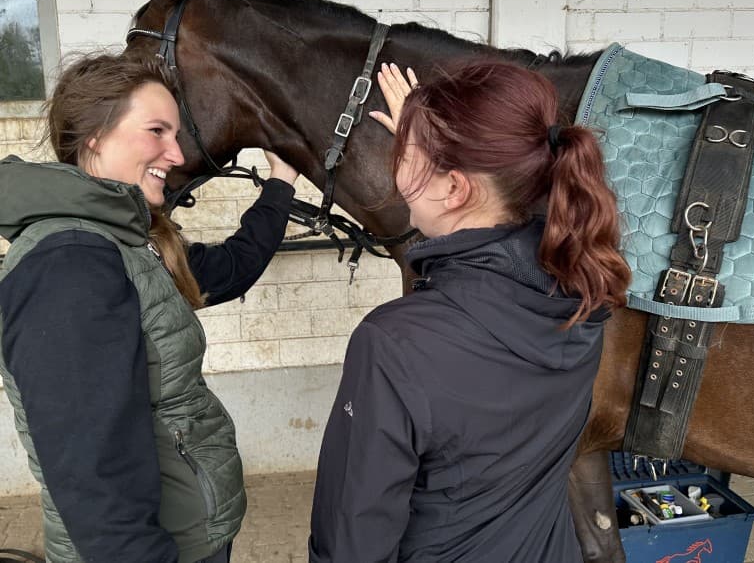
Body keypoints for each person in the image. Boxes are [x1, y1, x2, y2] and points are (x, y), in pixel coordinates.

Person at [309, 61, 631, 562]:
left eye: (403, 155)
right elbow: (487, 233)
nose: (396, 167)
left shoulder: (393, 344)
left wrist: (430, 160)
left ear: (457, 189)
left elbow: (352, 545)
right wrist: (434, 159)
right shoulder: (580, 296)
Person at [0, 53, 299, 563]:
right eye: (157, 130)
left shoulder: (133, 243)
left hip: (190, 532)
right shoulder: (69, 261)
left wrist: (281, 184)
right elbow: (94, 478)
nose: (177, 154)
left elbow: (232, 266)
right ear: (94, 136)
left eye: (176, 134)